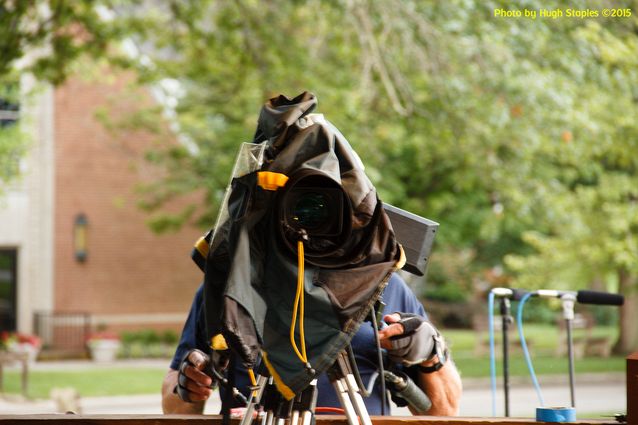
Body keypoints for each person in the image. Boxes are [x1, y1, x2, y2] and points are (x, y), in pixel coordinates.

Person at [162, 273, 462, 416]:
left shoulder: (383, 283)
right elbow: (176, 407)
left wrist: (431, 355)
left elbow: (444, 412)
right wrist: (189, 384)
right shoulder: (227, 286)